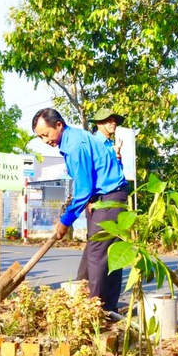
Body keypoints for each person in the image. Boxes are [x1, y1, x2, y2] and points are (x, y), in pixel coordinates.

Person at [32, 108, 128, 312]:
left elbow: (83, 189)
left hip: (110, 197)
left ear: (58, 125)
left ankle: (95, 310)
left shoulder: (74, 145)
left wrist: (65, 221)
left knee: (98, 254)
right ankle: (93, 301)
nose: (45, 140)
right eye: (40, 137)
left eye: (46, 134)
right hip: (105, 197)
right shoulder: (73, 139)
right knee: (102, 252)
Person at [76, 109, 126, 281]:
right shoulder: (94, 143)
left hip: (115, 198)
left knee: (107, 245)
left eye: (114, 120)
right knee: (99, 250)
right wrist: (89, 199)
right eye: (108, 120)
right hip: (101, 200)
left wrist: (117, 155)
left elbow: (110, 172)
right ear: (98, 124)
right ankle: (93, 297)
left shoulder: (109, 145)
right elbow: (86, 172)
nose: (113, 123)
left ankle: (82, 286)